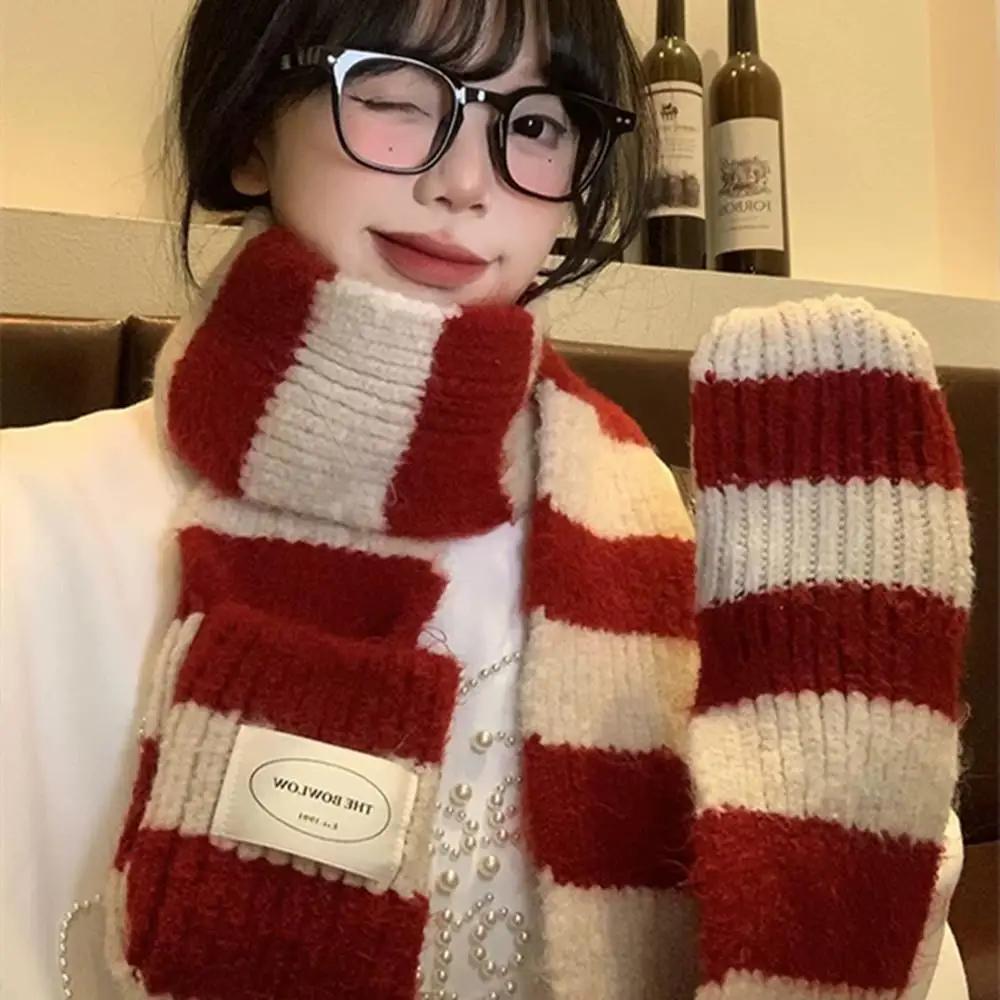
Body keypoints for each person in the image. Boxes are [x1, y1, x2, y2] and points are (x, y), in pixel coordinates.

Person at [0, 1, 974, 998]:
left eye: (537, 122)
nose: (466, 181)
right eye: (395, 94)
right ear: (251, 129)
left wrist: (848, 818)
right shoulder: (26, 524)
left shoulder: (651, 533)